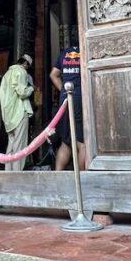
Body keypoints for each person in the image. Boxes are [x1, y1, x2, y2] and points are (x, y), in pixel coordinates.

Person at [49, 32, 85, 171]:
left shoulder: (64, 54)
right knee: (83, 142)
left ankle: (58, 175)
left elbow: (53, 75)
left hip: (65, 99)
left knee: (66, 142)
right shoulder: (86, 51)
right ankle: (84, 177)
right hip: (80, 98)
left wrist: (64, 90)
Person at [0, 53, 34, 171]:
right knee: (20, 144)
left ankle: (8, 171)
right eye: (28, 66)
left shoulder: (6, 75)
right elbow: (22, 92)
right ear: (25, 64)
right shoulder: (21, 72)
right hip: (19, 112)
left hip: (9, 116)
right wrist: (31, 88)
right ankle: (17, 172)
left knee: (11, 144)